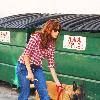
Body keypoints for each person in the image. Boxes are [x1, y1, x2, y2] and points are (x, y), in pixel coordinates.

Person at [16, 19, 62, 100]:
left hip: (37, 67)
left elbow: (51, 64)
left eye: (59, 30)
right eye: (55, 30)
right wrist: (29, 72)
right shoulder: (36, 37)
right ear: (49, 29)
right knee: (25, 92)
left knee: (44, 92)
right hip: (24, 66)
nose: (57, 32)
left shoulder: (51, 44)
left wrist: (57, 83)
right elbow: (26, 55)